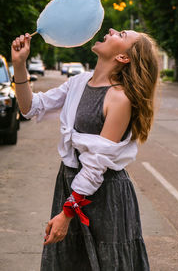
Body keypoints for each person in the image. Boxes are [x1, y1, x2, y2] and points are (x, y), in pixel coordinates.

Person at [11, 28, 160, 271]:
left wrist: (67, 213)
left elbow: (95, 165)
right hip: (71, 186)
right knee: (69, 261)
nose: (111, 30)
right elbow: (30, 108)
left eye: (121, 34)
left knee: (107, 263)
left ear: (123, 58)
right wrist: (19, 65)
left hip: (105, 194)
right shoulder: (78, 82)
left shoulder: (119, 98)